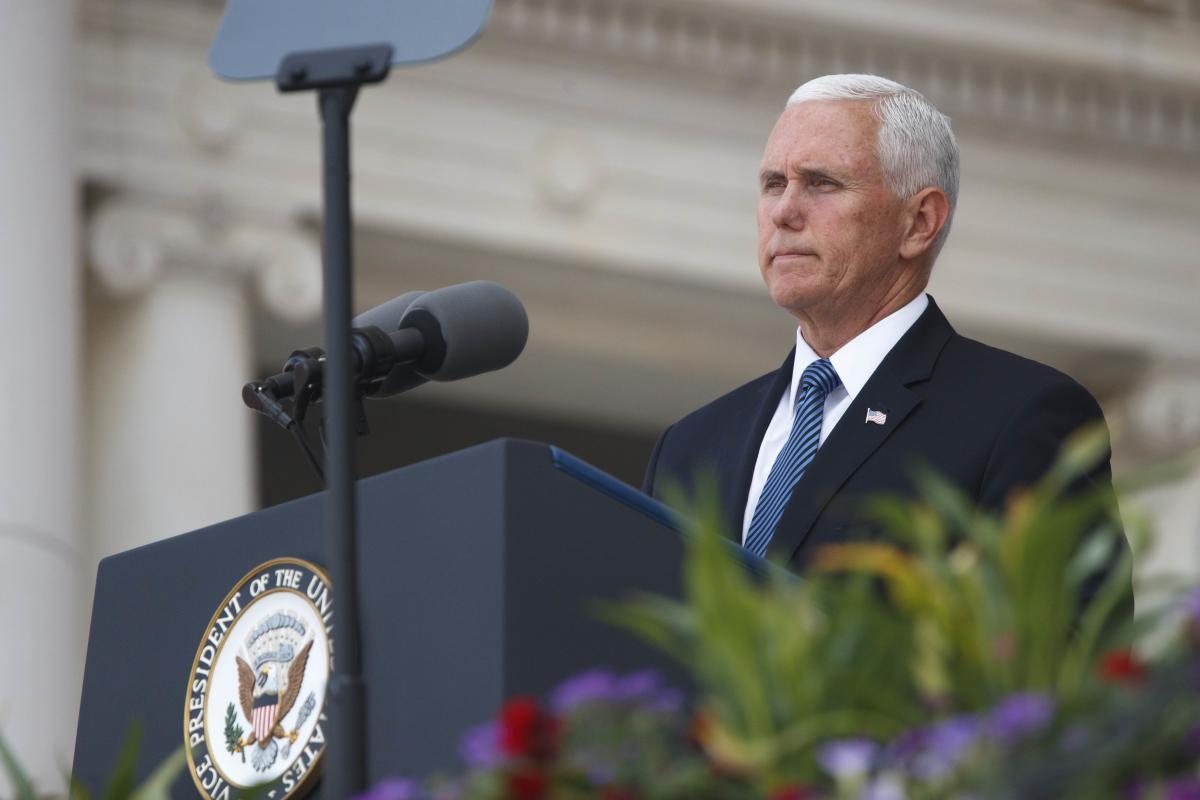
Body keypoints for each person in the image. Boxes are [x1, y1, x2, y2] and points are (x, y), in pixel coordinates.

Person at [642, 74, 1125, 577]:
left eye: (822, 183)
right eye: (773, 184)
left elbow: (1063, 646)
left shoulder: (1022, 417)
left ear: (919, 222)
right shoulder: (690, 446)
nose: (783, 212)